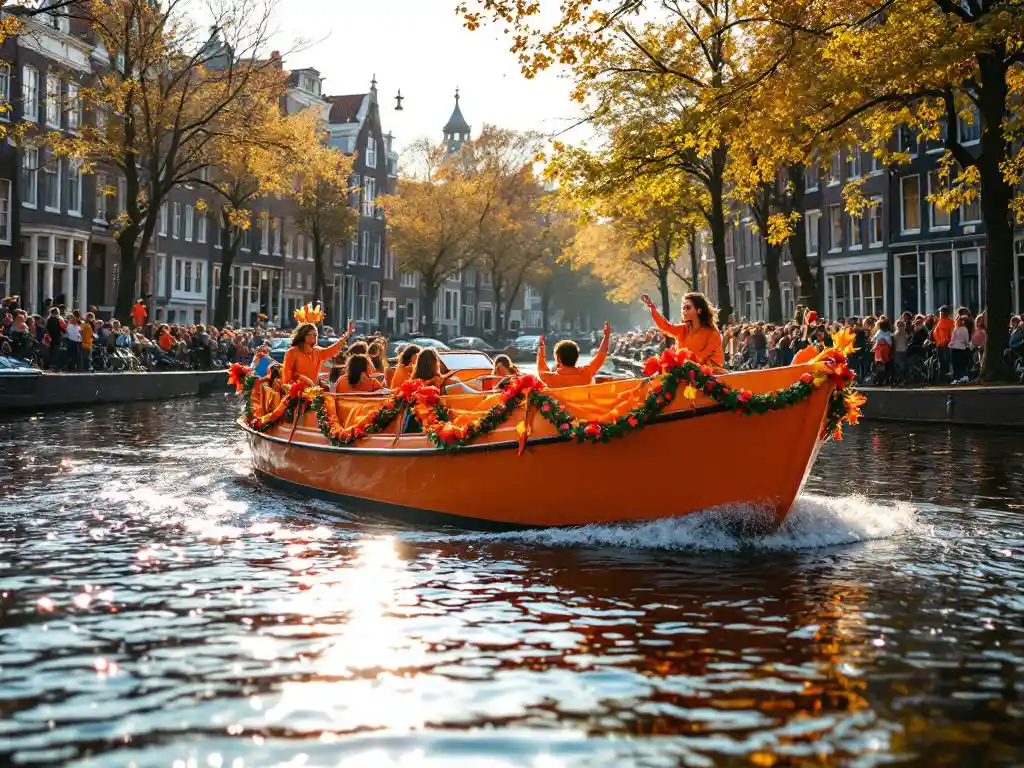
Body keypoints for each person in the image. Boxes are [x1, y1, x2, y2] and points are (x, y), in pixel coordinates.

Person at [640, 292, 724, 368]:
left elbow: (701, 358)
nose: (684, 311)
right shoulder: (682, 328)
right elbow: (666, 327)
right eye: (683, 308)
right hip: (684, 373)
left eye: (687, 308)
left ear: (699, 310)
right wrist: (652, 308)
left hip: (708, 377)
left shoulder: (712, 332)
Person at [536, 321, 611, 388]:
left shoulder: (550, 377)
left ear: (558, 359)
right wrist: (606, 336)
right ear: (577, 357)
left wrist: (541, 347)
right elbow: (600, 357)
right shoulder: (585, 374)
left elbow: (541, 367)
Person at [283, 322, 352, 385]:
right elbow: (286, 377)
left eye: (315, 334)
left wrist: (342, 341)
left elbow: (330, 351)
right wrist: (292, 390)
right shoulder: (292, 352)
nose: (313, 336)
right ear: (303, 335)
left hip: (313, 391)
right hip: (297, 392)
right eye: (310, 334)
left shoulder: (317, 351)